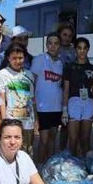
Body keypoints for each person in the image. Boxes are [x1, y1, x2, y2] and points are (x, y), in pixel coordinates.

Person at [0, 43, 38, 155]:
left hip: (28, 121)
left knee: (27, 150)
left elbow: (32, 100)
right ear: (8, 58)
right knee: (12, 150)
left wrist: (36, 121)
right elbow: (1, 100)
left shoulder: (29, 75)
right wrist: (4, 121)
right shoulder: (2, 74)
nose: (17, 61)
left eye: (20, 58)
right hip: (12, 120)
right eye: (14, 58)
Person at [31, 33, 64, 163]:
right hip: (42, 107)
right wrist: (33, 107)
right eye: (50, 43)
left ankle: (50, 166)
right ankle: (39, 165)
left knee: (52, 139)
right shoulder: (39, 59)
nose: (53, 46)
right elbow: (32, 83)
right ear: (46, 44)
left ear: (59, 46)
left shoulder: (61, 63)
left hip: (56, 107)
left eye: (56, 43)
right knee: (43, 140)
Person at [62, 37, 93, 157]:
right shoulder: (69, 67)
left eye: (84, 48)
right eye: (79, 48)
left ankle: (85, 164)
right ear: (75, 50)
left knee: (86, 138)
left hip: (89, 102)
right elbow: (66, 89)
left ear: (88, 49)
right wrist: (65, 110)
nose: (82, 51)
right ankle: (73, 165)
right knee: (73, 139)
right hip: (74, 102)